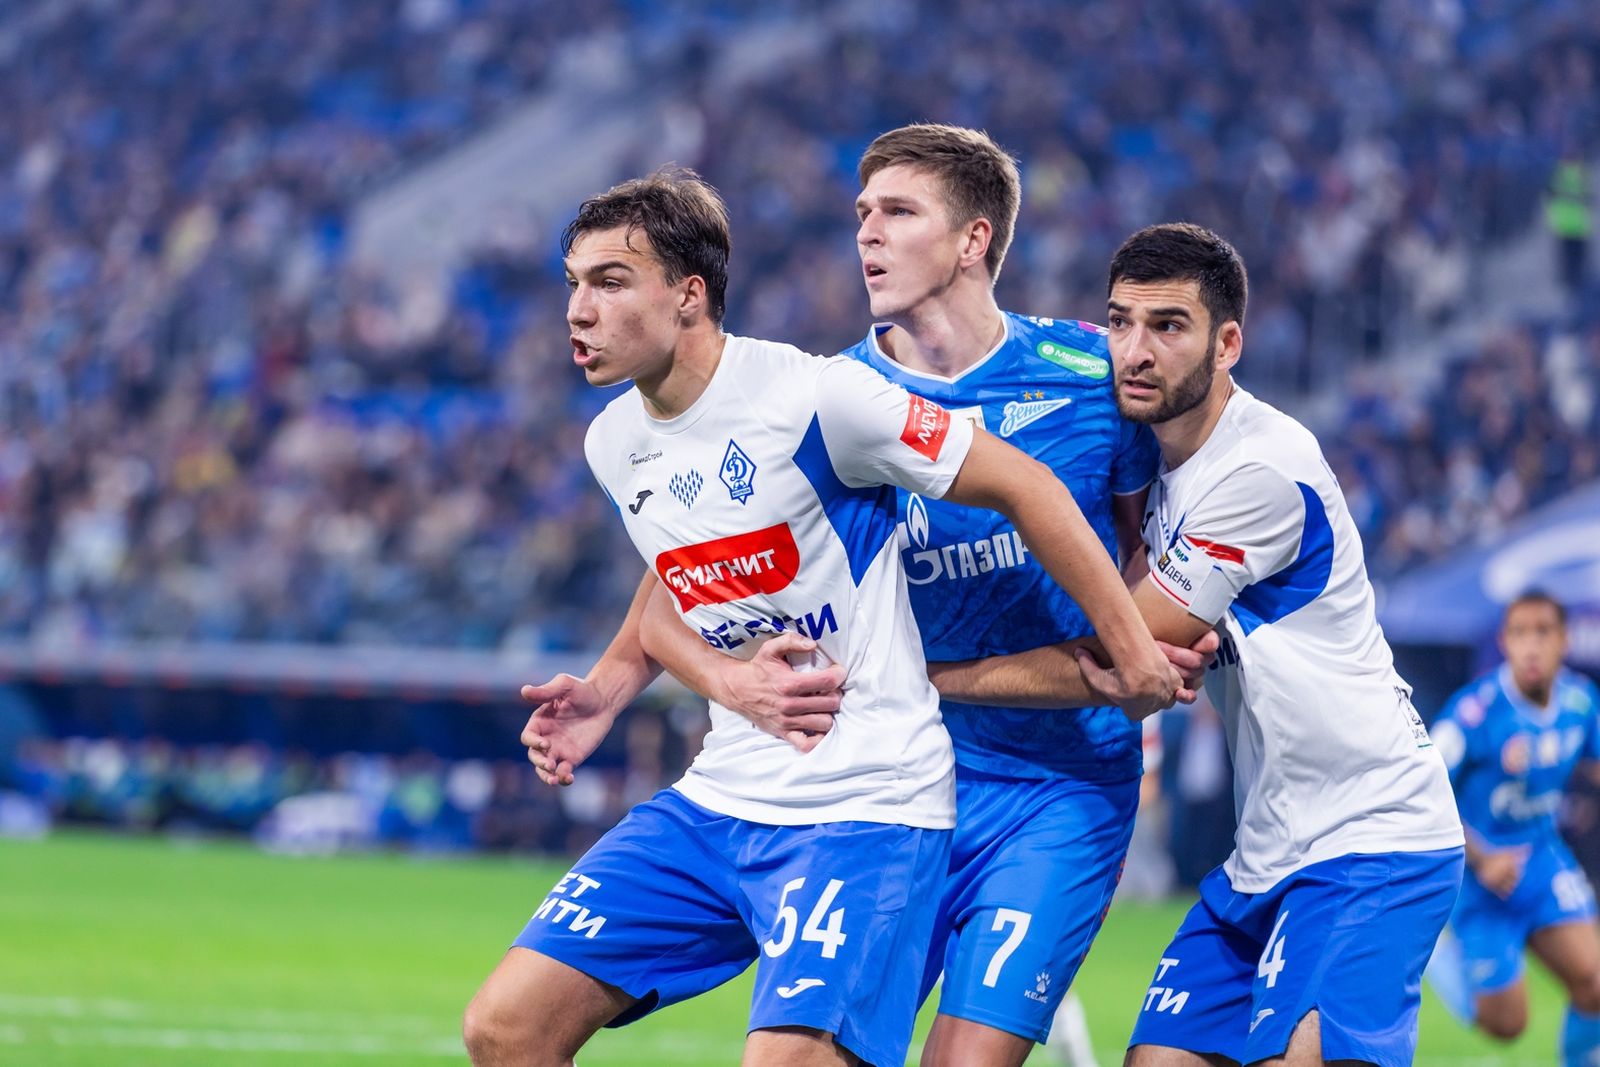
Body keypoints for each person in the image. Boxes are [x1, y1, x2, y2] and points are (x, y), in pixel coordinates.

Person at [463, 170, 1177, 1067]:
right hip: (720, 794)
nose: (577, 309)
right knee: (504, 1027)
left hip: (865, 801)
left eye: (609, 282)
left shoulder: (819, 398)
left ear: (688, 295)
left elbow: (1025, 482)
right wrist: (637, 688)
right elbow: (674, 583)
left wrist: (1132, 650)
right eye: (573, 283)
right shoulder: (613, 442)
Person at [931, 222, 1465, 1066]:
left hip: (1372, 836)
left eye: (1168, 325)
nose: (1135, 351)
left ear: (1228, 344)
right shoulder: (1150, 467)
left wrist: (933, 677)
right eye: (1120, 322)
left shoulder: (1259, 469)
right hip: (1264, 850)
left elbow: (1123, 649)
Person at [1425, 592, 1600, 1066]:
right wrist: (1483, 858)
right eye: (1520, 633)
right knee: (1507, 1026)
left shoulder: (1581, 702)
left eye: (1543, 632)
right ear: (1504, 642)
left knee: (1594, 983)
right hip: (1482, 878)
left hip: (1542, 860)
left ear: (1565, 640)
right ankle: (1439, 955)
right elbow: (1425, 790)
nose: (1531, 646)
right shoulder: (1474, 712)